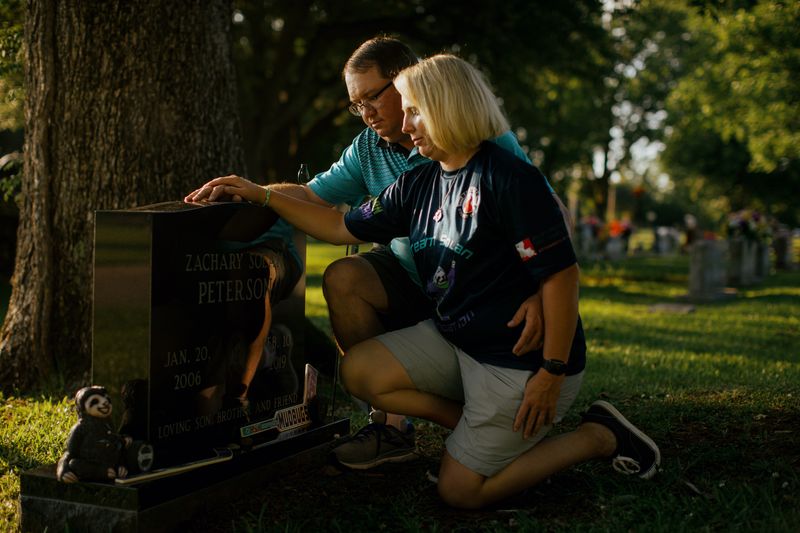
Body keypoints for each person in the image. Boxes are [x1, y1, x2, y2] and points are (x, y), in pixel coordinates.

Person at [186, 54, 660, 509]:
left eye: (414, 111)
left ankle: (597, 436)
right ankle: (471, 429)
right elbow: (338, 227)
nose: (407, 125)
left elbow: (560, 273)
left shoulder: (508, 177)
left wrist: (550, 375)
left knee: (459, 493)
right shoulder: (419, 181)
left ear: (447, 109)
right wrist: (261, 194)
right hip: (457, 342)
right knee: (360, 372)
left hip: (518, 362)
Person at [193, 36, 567, 470]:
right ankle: (391, 426)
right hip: (412, 272)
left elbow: (552, 213)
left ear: (407, 81)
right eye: (357, 104)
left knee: (467, 473)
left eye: (373, 97)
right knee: (344, 277)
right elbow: (318, 203)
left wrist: (541, 294)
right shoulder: (369, 149)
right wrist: (256, 195)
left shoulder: (480, 138)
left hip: (480, 285)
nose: (367, 113)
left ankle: (488, 426)